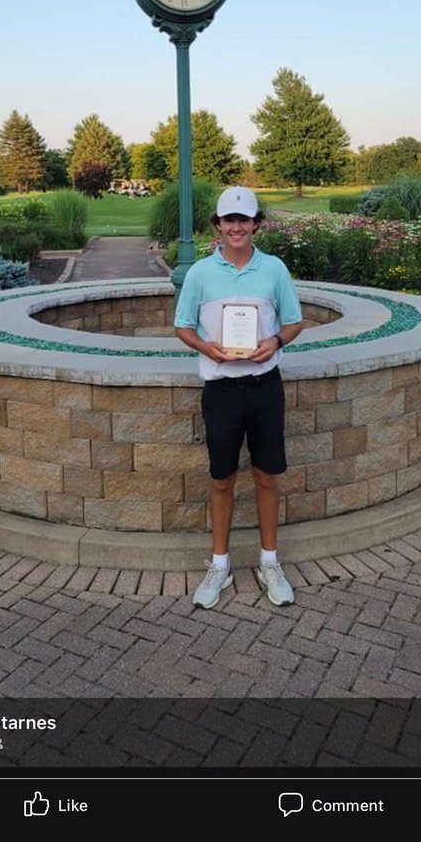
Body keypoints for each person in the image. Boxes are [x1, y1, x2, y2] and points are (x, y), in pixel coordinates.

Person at [174, 186, 304, 609]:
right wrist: (205, 347)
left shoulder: (274, 269)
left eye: (244, 219)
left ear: (256, 224)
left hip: (265, 387)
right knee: (221, 479)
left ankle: (270, 562)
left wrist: (276, 340)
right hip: (221, 390)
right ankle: (220, 565)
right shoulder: (200, 274)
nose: (236, 227)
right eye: (229, 220)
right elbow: (182, 326)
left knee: (267, 476)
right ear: (218, 225)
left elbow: (294, 322)